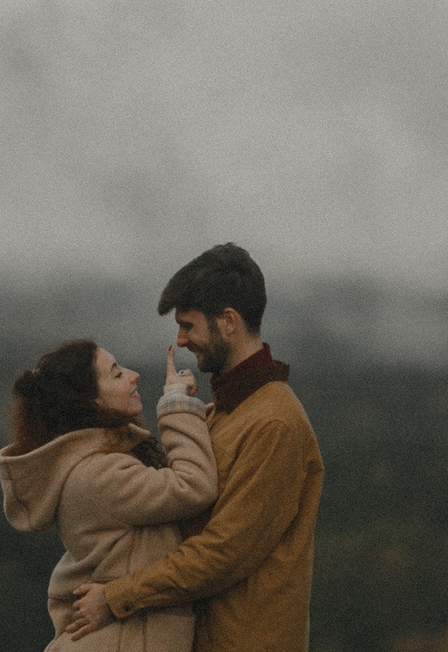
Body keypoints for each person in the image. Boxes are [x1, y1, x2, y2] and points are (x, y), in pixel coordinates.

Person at [65, 244, 323, 652]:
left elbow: (223, 554)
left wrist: (116, 597)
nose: (181, 340)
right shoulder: (224, 412)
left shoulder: (274, 423)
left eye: (188, 325)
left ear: (229, 321)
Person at [0, 336, 220, 652]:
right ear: (89, 402)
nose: (133, 375)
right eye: (117, 373)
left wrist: (201, 422)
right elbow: (193, 486)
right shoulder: (100, 474)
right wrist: (176, 404)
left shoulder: (90, 466)